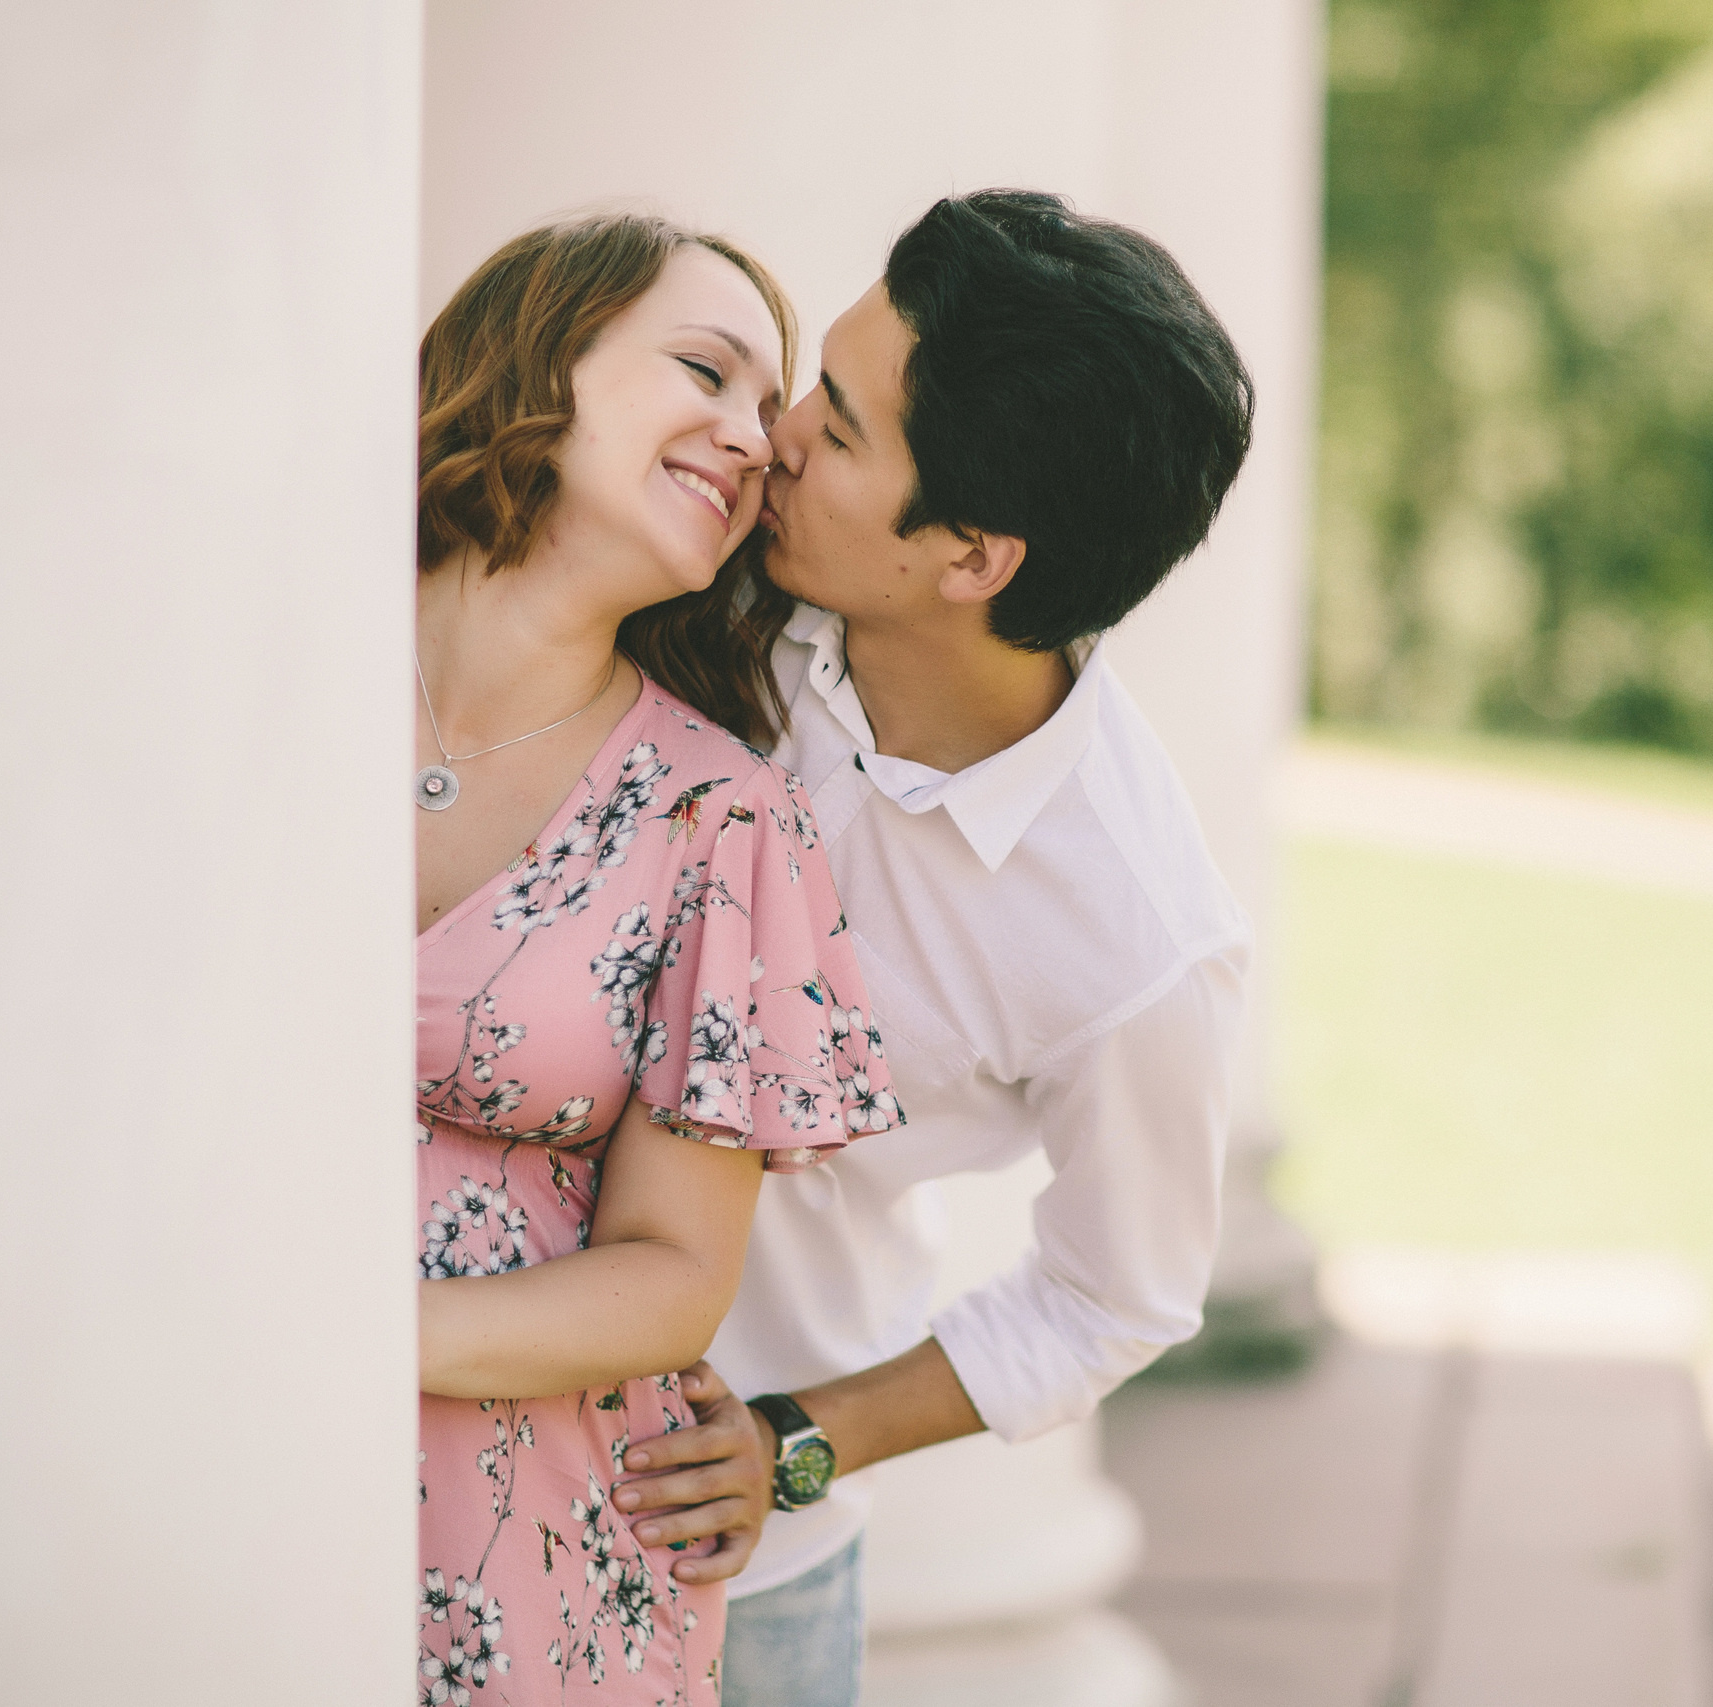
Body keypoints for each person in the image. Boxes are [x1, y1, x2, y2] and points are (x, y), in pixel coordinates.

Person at [606, 189, 1257, 1706]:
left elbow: (1117, 1297)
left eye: (836, 430)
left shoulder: (1137, 940)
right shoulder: (715, 581)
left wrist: (801, 1440)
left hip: (728, 1572)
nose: (771, 438)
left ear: (974, 555)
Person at [411, 213, 901, 1707]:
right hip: (164, 1445)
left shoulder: (724, 820)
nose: (754, 439)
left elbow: (676, 1279)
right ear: (538, 362)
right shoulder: (246, 677)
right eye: (708, 369)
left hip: (520, 1566)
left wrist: (324, 1330)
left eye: (773, 410)